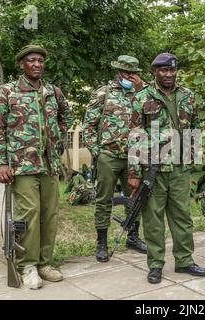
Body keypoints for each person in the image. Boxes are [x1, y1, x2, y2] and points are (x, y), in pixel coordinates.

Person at [0, 44, 74, 289]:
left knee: (50, 215)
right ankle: (28, 266)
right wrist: (0, 162)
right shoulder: (7, 91)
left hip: (49, 165)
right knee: (29, 214)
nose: (37, 64)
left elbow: (65, 117)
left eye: (40, 61)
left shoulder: (53, 91)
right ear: (22, 64)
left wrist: (57, 139)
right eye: (31, 61)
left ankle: (45, 263)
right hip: (22, 166)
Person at [128, 53, 205, 284]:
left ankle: (184, 260)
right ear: (154, 72)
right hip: (153, 170)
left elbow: (195, 126)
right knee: (153, 220)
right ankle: (155, 265)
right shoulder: (142, 97)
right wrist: (133, 172)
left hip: (180, 169)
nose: (169, 75)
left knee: (182, 216)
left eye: (172, 70)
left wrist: (192, 153)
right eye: (164, 70)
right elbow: (134, 135)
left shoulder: (187, 96)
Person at [83, 55, 147, 262]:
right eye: (127, 73)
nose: (130, 76)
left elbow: (151, 117)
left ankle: (133, 237)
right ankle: (102, 243)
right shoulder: (103, 93)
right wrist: (97, 152)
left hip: (134, 158)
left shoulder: (143, 94)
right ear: (118, 72)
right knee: (104, 201)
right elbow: (89, 126)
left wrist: (141, 91)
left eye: (133, 73)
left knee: (135, 199)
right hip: (108, 156)